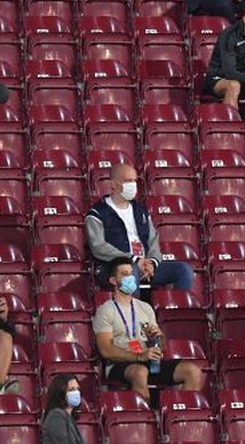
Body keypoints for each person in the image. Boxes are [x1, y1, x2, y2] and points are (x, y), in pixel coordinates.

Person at [93, 257, 204, 400]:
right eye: (125, 274)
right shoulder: (105, 310)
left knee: (192, 371)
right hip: (120, 364)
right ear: (113, 281)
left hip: (148, 360)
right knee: (140, 372)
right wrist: (139, 356)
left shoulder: (145, 307)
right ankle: (145, 419)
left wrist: (158, 338)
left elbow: (162, 344)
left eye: (132, 273)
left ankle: (181, 417)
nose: (131, 277)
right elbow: (106, 350)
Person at [87, 163, 195, 290]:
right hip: (112, 268)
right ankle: (135, 309)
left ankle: (178, 309)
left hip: (144, 264)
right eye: (128, 181)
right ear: (113, 184)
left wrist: (152, 263)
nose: (132, 185)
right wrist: (132, 260)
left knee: (184, 270)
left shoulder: (141, 211)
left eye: (134, 180)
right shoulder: (97, 213)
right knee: (130, 272)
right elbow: (98, 246)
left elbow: (153, 240)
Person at [42, 374, 87, 444]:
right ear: (60, 393)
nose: (76, 393)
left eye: (78, 389)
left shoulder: (69, 417)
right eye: (71, 389)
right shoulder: (56, 416)